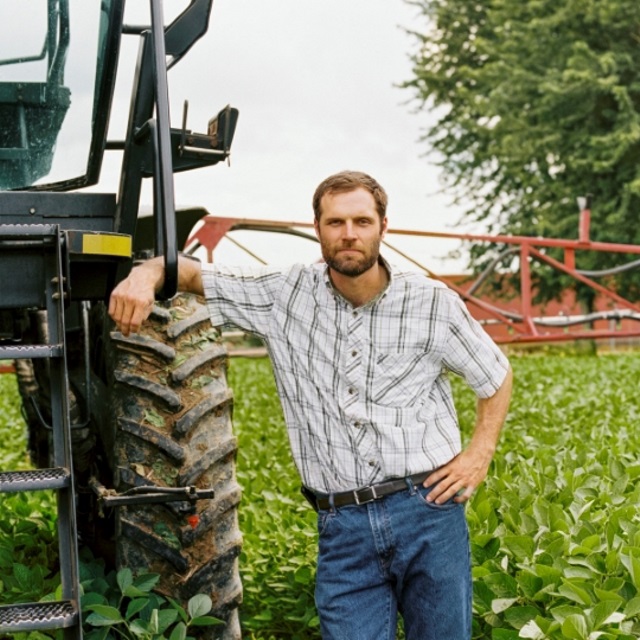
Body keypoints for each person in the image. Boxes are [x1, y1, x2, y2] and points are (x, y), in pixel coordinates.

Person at [109, 170, 512, 640]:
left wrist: (478, 454)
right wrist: (146, 271)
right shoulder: (284, 295)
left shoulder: (431, 302)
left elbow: (495, 375)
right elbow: (196, 274)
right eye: (336, 222)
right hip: (343, 528)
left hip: (427, 512)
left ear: (384, 226)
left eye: (362, 221)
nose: (349, 234)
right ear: (317, 228)